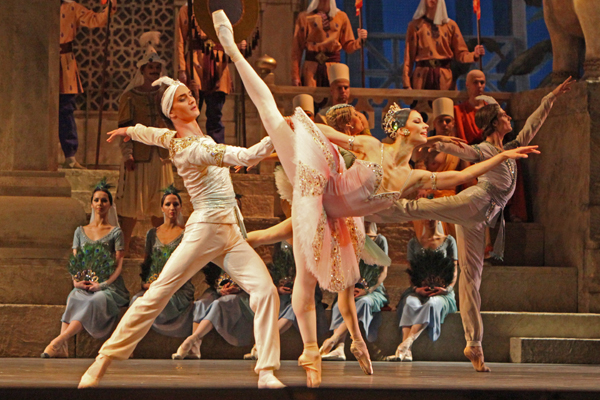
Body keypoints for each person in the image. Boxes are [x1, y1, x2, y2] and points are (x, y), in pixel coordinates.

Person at [213, 10, 538, 385]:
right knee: (271, 115)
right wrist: (298, 124)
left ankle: (344, 342)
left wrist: (504, 155)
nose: (424, 126)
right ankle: (232, 49)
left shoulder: (413, 175)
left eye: (423, 123)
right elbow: (329, 137)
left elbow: (463, 174)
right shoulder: (370, 144)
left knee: (323, 274)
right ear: (400, 130)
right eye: (418, 121)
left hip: (338, 216)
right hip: (320, 185)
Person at [80, 75, 283, 388]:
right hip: (205, 230)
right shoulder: (195, 148)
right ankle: (102, 361)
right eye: (183, 98)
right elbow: (244, 157)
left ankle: (267, 371)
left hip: (229, 232)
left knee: (266, 291)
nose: (191, 100)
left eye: (191, 95)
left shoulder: (174, 140)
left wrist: (129, 130)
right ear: (173, 112)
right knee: (158, 293)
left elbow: (152, 134)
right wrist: (277, 132)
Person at [368, 77, 575, 372]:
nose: (508, 118)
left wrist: (552, 95)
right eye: (503, 115)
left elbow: (533, 123)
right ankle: (372, 209)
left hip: (481, 219)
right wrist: (434, 140)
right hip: (473, 203)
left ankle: (473, 344)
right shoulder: (482, 150)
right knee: (420, 207)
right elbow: (458, 150)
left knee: (471, 279)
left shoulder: (514, 145)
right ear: (493, 123)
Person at [42, 180, 128, 357]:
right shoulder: (80, 231)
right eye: (96, 200)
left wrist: (102, 285)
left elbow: (119, 264)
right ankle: (62, 348)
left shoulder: (115, 232)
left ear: (110, 205)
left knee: (94, 300)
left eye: (104, 200)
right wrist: (76, 281)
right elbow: (76, 261)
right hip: (85, 281)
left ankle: (58, 340)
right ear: (91, 203)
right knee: (74, 296)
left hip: (109, 285)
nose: (100, 204)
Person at [116, 31, 175, 254]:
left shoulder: (166, 95)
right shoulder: (130, 97)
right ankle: (122, 249)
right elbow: (124, 128)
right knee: (130, 207)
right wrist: (128, 154)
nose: (154, 71)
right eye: (150, 68)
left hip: (160, 158)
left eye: (157, 68)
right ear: (142, 70)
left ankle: (164, 250)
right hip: (138, 158)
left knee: (161, 206)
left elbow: (175, 124)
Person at [385, 219, 457, 362]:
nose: (429, 220)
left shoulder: (449, 241)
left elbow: (454, 270)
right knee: (410, 302)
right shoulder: (414, 242)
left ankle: (405, 344)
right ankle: (407, 353)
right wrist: (416, 288)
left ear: (438, 218)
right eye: (425, 216)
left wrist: (446, 289)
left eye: (432, 216)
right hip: (419, 290)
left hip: (443, 292)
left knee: (432, 303)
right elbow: (411, 271)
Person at [129, 186, 194, 339]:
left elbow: (188, 267)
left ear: (181, 207)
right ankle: (130, 345)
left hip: (177, 289)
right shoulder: (152, 234)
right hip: (153, 285)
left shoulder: (187, 234)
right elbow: (147, 262)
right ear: (162, 208)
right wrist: (146, 283)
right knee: (135, 300)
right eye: (168, 204)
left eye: (176, 204)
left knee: (159, 300)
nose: (172, 208)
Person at [59, 0, 117, 169]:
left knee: (66, 109)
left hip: (65, 63)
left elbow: (94, 20)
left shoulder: (71, 7)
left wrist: (109, 7)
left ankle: (70, 155)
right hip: (40, 62)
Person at [176, 2, 246, 144]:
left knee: (215, 116)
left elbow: (235, 32)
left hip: (218, 65)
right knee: (190, 114)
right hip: (196, 65)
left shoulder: (224, 7)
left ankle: (216, 157)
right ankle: (191, 153)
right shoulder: (187, 10)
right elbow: (180, 40)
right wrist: (182, 69)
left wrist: (239, 43)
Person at [320, 222, 389, 361]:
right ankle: (340, 348)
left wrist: (367, 289)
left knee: (363, 303)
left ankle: (333, 339)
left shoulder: (380, 240)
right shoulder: (350, 236)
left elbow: (383, 272)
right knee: (340, 305)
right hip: (351, 287)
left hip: (372, 290)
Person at [171, 270, 255, 359]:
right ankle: (195, 348)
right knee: (201, 303)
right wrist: (220, 289)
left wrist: (237, 288)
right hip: (218, 289)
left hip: (243, 292)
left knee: (219, 304)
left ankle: (193, 338)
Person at [402, 0, 484, 90]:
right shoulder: (415, 26)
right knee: (422, 103)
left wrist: (474, 55)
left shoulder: (450, 26)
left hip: (444, 79)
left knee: (445, 103)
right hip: (422, 78)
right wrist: (407, 84)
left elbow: (461, 54)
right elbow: (409, 57)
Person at [292, 0, 367, 87]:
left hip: (333, 69)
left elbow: (348, 46)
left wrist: (359, 41)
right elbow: (297, 49)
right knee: (311, 97)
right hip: (311, 69)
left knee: (334, 97)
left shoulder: (341, 17)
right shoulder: (304, 17)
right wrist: (295, 75)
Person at [315, 64, 371, 134]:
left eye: (346, 88)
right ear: (332, 90)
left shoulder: (360, 118)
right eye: (339, 88)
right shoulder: (322, 117)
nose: (343, 91)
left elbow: (368, 140)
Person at [454, 70, 487, 144]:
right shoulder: (458, 111)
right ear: (467, 85)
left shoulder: (493, 110)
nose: (479, 86)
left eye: (482, 82)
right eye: (475, 82)